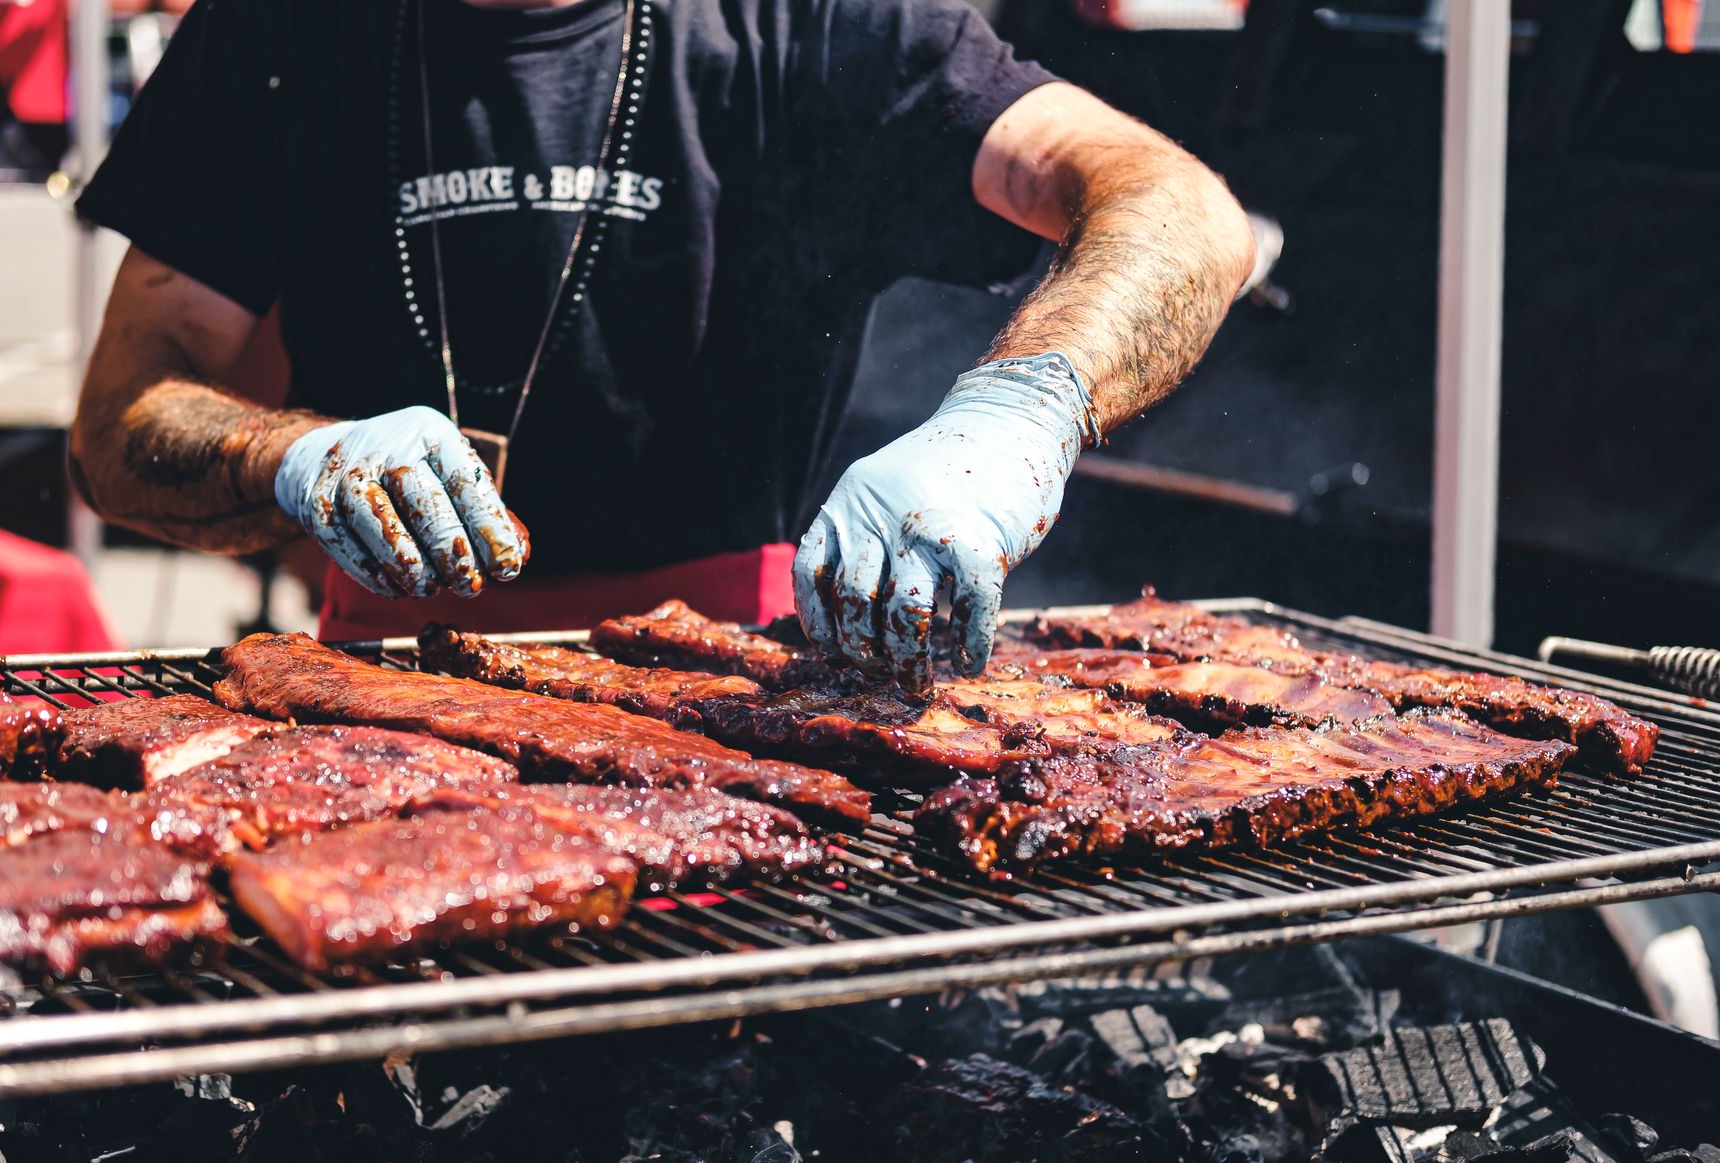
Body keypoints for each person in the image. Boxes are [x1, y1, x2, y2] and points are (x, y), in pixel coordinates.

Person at [68, 0, 1254, 691]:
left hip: (744, 685)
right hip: (380, 695)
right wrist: (294, 457)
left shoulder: (814, 19)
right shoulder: (280, 32)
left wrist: (1017, 414)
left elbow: (1173, 203)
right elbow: (123, 418)